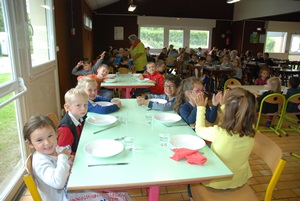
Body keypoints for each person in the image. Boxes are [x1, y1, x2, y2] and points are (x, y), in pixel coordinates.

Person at [190, 87, 255, 195]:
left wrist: (200, 107)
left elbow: (199, 130)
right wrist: (224, 105)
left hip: (215, 182)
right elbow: (237, 116)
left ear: (228, 111)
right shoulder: (252, 128)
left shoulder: (219, 132)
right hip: (239, 179)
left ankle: (193, 197)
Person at [23, 115, 72, 201]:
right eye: (39, 140)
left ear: (56, 134)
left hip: (68, 190)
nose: (47, 142)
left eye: (50, 136)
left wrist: (69, 160)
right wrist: (63, 157)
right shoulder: (39, 161)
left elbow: (61, 162)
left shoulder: (55, 149)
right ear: (30, 144)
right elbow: (58, 182)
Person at [58, 88, 88, 155]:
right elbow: (63, 153)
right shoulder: (65, 129)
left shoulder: (80, 117)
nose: (83, 108)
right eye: (78, 105)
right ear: (68, 107)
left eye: (85, 104)